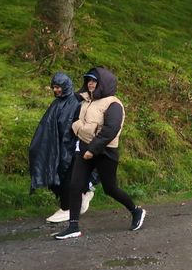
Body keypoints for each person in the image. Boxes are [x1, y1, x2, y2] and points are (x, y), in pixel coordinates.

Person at [54, 67, 146, 240]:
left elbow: (110, 130)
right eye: (88, 80)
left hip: (105, 152)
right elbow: (76, 121)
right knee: (75, 186)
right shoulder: (85, 101)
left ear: (103, 83)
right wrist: (80, 132)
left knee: (110, 188)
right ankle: (73, 226)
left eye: (94, 81)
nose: (90, 83)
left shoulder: (113, 104)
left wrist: (92, 149)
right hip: (84, 148)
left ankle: (136, 211)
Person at [29, 72, 95, 224]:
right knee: (53, 175)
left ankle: (67, 208)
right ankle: (80, 197)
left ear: (65, 86)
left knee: (65, 178)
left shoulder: (74, 103)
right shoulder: (57, 103)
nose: (55, 90)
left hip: (70, 148)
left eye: (58, 87)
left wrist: (66, 151)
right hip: (57, 146)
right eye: (54, 87)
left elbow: (70, 128)